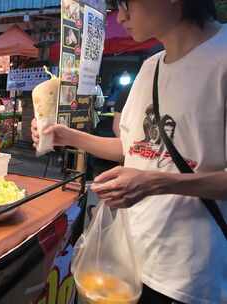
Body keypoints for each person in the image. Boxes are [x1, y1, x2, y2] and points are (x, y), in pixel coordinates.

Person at [32, 1, 226, 303]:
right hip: (132, 260)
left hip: (190, 275)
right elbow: (132, 149)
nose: (120, 16)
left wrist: (157, 182)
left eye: (126, 3)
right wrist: (66, 135)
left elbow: (151, 172)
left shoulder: (222, 58)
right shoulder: (151, 67)